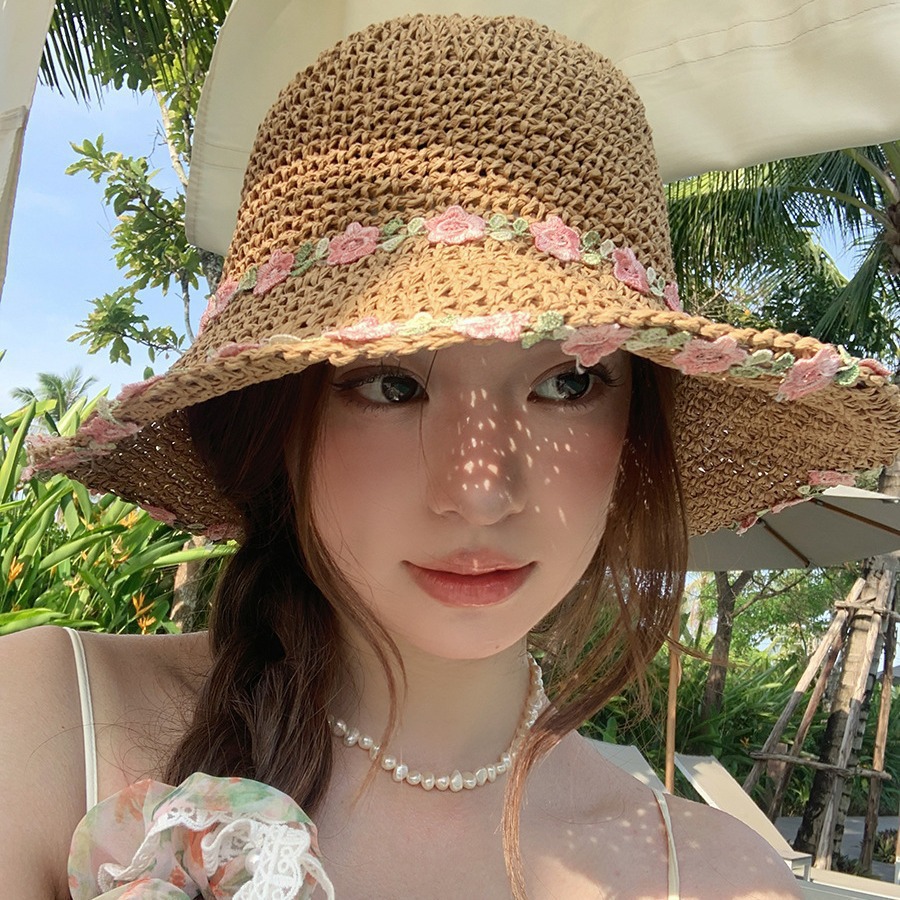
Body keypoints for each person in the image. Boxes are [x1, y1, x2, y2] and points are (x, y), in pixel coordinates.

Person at [3, 13, 898, 899]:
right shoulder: (44, 726)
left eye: (568, 383)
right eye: (392, 385)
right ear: (275, 421)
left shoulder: (716, 882)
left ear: (638, 429)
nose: (480, 492)